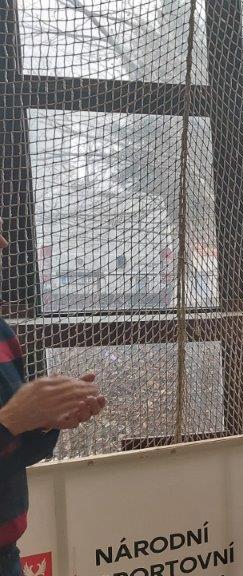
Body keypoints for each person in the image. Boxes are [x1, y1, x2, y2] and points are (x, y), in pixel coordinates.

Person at [0, 231, 107, 575]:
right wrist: (10, 421)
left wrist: (43, 421)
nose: (3, 242)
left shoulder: (2, 334)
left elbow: (11, 456)